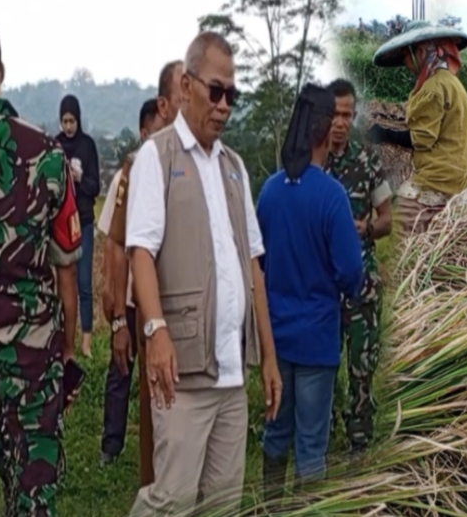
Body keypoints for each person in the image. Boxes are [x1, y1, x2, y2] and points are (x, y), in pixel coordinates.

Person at [124, 32, 282, 516]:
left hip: (231, 375)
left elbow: (253, 267)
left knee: (221, 504)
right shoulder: (159, 156)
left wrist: (269, 359)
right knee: (171, 499)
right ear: (187, 86)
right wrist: (155, 331)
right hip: (185, 371)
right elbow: (141, 253)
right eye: (216, 91)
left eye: (232, 95)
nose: (224, 106)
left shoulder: (234, 168)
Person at [0, 14, 82, 517]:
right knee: (33, 502)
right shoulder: (49, 154)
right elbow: (67, 276)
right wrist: (66, 355)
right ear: (0, 68)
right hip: (36, 366)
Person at [258, 82, 364, 498]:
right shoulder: (332, 198)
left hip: (277, 340)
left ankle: (272, 507)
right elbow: (351, 270)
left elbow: (258, 264)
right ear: (324, 131)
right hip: (317, 340)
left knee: (276, 433)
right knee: (311, 446)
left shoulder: (269, 191)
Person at [103, 60, 184, 484]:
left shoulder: (208, 160)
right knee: (157, 412)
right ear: (164, 104)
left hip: (193, 313)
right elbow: (117, 246)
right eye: (183, 92)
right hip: (149, 311)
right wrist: (119, 319)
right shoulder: (137, 170)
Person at [323, 79, 392, 457]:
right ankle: (324, 433)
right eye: (335, 114)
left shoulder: (367, 163)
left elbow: (387, 220)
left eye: (347, 115)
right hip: (323, 286)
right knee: (323, 366)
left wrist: (364, 228)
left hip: (361, 285)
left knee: (361, 367)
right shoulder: (314, 164)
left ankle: (360, 438)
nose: (340, 122)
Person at [366, 20, 467, 234]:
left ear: (422, 52)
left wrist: (385, 134)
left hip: (439, 180)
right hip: (458, 176)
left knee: (394, 224)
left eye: (407, 56)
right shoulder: (450, 82)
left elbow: (421, 140)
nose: (406, 63)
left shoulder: (433, 88)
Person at [96, 98, 160, 467]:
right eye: (155, 131)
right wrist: (110, 290)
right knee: (121, 369)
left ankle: (157, 446)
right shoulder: (127, 177)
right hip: (130, 295)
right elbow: (110, 239)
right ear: (142, 131)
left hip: (158, 297)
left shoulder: (172, 173)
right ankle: (111, 444)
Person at [56, 94, 101, 357]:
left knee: (84, 282)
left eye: (72, 121)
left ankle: (86, 341)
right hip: (62, 223)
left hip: (83, 220)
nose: (69, 126)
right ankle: (64, 339)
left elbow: (95, 187)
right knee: (64, 283)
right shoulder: (56, 145)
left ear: (78, 119)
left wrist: (80, 178)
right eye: (65, 121)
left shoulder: (88, 146)